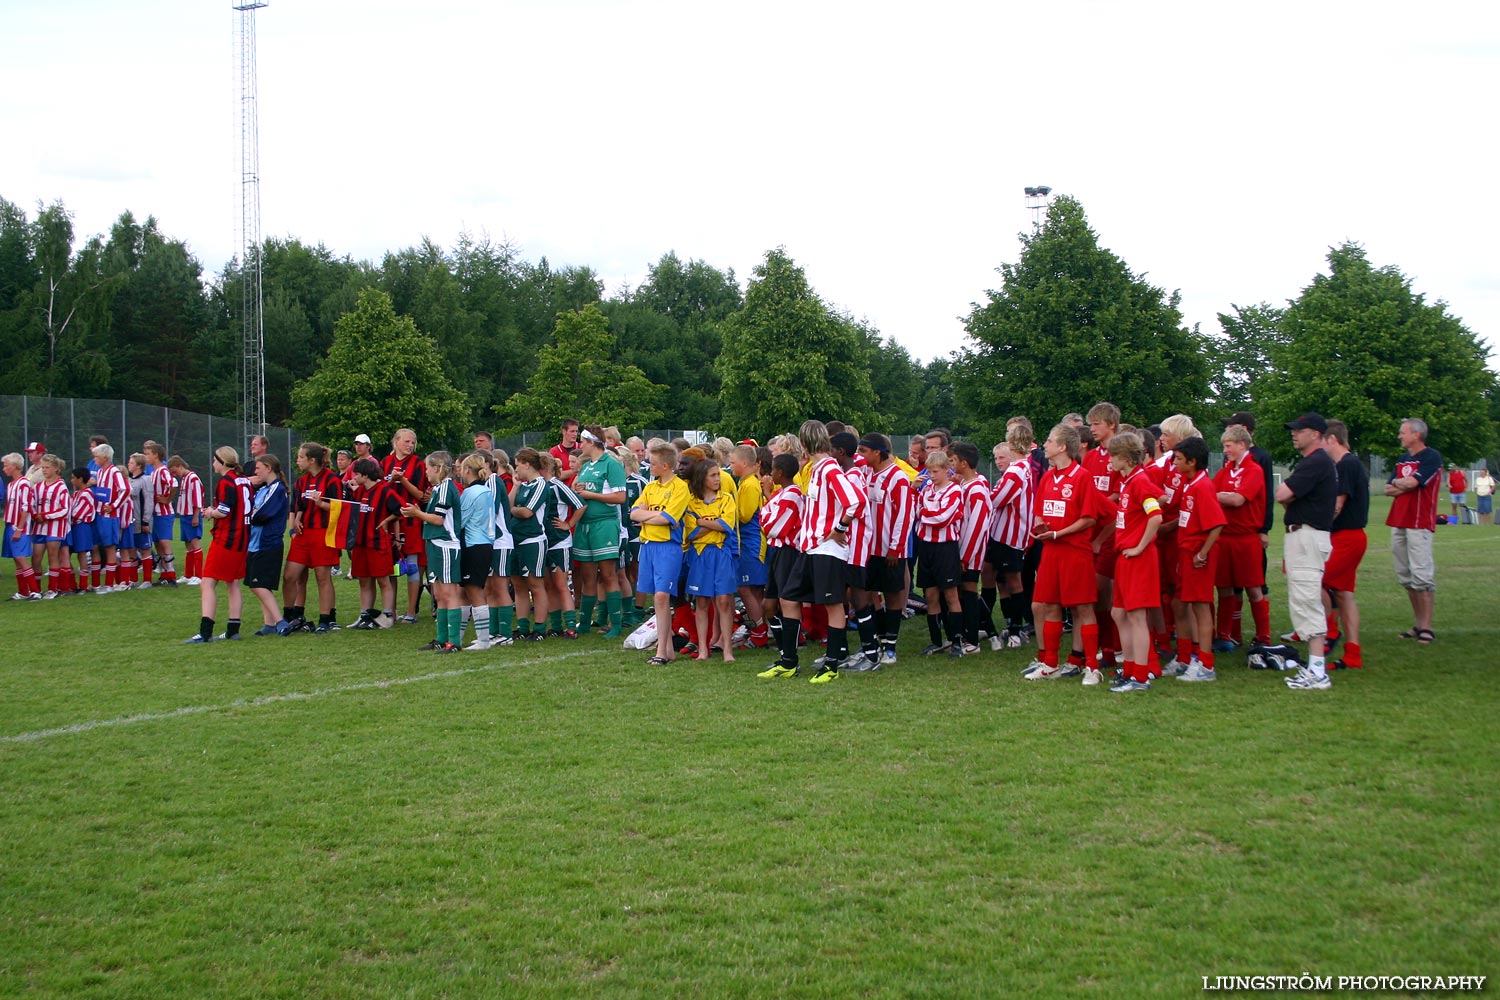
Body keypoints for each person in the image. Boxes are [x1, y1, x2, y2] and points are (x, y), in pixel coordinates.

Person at [1025, 424, 1113, 683]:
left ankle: (1091, 667)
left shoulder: (1082, 476)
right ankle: (1050, 663)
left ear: (1063, 447)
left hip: (1075, 552)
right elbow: (1040, 511)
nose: (1045, 444)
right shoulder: (1048, 476)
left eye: (1050, 441)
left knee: (1083, 608)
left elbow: (1089, 518)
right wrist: (1042, 527)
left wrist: (1059, 534)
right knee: (1049, 605)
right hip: (1051, 552)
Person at [1274, 414, 1340, 690]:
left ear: (1315, 434)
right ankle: (1314, 667)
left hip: (1308, 536)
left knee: (1307, 599)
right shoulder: (1314, 462)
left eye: (1300, 430)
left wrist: (1289, 494)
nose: (1294, 434)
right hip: (1302, 535)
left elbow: (1282, 493)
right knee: (1302, 599)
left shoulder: (1317, 461)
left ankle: (1317, 671)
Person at [1105, 433, 1163, 692]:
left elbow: (1156, 516)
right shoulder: (1128, 481)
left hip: (1137, 557)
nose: (1109, 460)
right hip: (1125, 556)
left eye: (1113, 455)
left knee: (1137, 616)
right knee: (1119, 612)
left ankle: (1140, 675)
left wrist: (1140, 546)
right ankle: (1129, 668)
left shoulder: (1140, 481)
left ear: (1125, 457)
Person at [1170, 437, 1226, 683]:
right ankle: (1185, 657)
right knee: (1181, 604)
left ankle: (1205, 663)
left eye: (1179, 459)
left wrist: (1202, 553)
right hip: (1186, 553)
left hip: (1197, 556)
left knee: (1201, 607)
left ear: (1192, 462)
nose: (1174, 463)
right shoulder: (1189, 483)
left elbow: (1217, 524)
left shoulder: (1203, 486)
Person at [857, 433, 915, 666]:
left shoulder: (897, 478)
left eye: (864, 451)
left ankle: (891, 646)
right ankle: (878, 639)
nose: (860, 456)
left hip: (889, 550)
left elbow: (904, 514)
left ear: (877, 453)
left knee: (892, 595)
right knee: (869, 594)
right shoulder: (868, 472)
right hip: (869, 549)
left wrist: (896, 547)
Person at [185, 447, 253, 643]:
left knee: (207, 583)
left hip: (227, 539)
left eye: (215, 460)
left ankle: (205, 632)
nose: (213, 463)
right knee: (232, 584)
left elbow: (224, 511)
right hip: (242, 540)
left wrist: (209, 512)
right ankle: (233, 629)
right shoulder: (244, 481)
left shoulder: (226, 482)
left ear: (222, 462)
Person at [631, 442, 691, 665]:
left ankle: (662, 650)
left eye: (653, 463)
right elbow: (634, 513)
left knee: (662, 596)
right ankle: (666, 648)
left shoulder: (679, 488)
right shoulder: (650, 487)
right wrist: (650, 516)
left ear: (666, 465)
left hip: (668, 547)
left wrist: (648, 516)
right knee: (656, 597)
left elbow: (669, 519)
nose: (649, 466)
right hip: (648, 545)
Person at [1384, 417, 1442, 643]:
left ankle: (1427, 627)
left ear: (1416, 434)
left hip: (1419, 522)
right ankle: (1418, 624)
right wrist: (1404, 483)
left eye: (1403, 432)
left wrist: (1404, 483)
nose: (1399, 436)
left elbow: (1413, 484)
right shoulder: (1401, 459)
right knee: (1405, 575)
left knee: (1422, 576)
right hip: (1399, 520)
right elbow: (1389, 488)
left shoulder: (1431, 457)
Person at [1214, 424, 1271, 650]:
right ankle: (1225, 635)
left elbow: (1238, 500)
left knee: (1253, 588)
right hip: (1225, 537)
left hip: (1246, 538)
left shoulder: (1254, 470)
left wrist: (1221, 496)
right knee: (1225, 587)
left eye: (1228, 446)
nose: (1226, 451)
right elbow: (1211, 493)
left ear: (1241, 445)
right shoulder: (1226, 471)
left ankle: (1263, 637)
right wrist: (1223, 495)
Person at [403, 451, 463, 653]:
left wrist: (416, 513)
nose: (426, 472)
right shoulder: (438, 488)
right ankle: (441, 638)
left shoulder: (446, 487)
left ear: (437, 468)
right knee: (438, 592)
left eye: (428, 468)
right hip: (435, 543)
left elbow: (439, 519)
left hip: (446, 544)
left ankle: (454, 641)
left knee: (448, 592)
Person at [571, 426, 628, 638]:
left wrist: (590, 494)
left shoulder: (611, 464)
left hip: (604, 524)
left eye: (583, 441)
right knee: (587, 576)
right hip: (584, 525)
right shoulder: (586, 467)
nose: (581, 445)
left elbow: (620, 498)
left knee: (608, 574)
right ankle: (584, 623)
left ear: (593, 442)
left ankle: (616, 624)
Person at [1321, 420, 1369, 670]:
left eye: (1322, 441)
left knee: (1315, 580)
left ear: (1331, 440)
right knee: (1344, 594)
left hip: (1347, 537)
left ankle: (1330, 631)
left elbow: (1338, 505)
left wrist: (1317, 526)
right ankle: (1353, 653)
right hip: (1347, 536)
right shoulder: (1343, 464)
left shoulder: (1347, 463)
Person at [283, 443, 344, 634]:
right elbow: (298, 505)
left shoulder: (332, 480)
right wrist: (297, 520)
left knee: (322, 577)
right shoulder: (301, 481)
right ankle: (290, 615)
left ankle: (326, 619)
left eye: (301, 457)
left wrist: (321, 504)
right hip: (303, 535)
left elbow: (340, 508)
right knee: (290, 576)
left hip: (323, 533)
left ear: (312, 460)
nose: (297, 461)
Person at [684, 458, 739, 663]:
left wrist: (701, 521)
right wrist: (712, 523)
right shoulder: (691, 502)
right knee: (702, 601)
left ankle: (727, 649)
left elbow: (727, 525)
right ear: (702, 478)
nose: (718, 479)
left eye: (718, 474)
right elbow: (692, 532)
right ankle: (703, 650)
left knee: (724, 601)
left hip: (721, 552)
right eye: (713, 475)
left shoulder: (726, 499)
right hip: (699, 555)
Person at [756, 454, 806, 678]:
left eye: (773, 470)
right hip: (776, 552)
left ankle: (790, 659)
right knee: (768, 605)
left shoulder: (794, 494)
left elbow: (773, 526)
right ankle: (786, 652)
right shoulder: (781, 493)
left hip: (788, 552)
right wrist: (767, 510)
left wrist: (766, 513)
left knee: (787, 603)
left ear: (781, 473)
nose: (769, 474)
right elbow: (767, 517)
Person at [985, 426, 1034, 649]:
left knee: (1012, 580)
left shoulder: (1017, 471)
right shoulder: (1021, 468)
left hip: (1010, 535)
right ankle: (1007, 623)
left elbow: (997, 499)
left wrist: (988, 492)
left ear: (1012, 445)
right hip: (1001, 533)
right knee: (997, 578)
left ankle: (1016, 629)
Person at [915, 450, 965, 659]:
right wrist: (925, 511)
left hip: (945, 547)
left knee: (951, 594)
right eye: (929, 472)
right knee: (930, 595)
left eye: (936, 471)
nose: (932, 476)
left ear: (946, 470)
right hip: (926, 546)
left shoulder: (954, 491)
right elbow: (915, 512)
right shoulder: (926, 491)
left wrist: (925, 513)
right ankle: (936, 640)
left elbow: (942, 518)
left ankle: (957, 641)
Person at [343, 457, 402, 630]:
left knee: (384, 581)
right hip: (361, 543)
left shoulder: (385, 491)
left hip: (378, 543)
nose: (353, 478)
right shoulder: (360, 491)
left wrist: (386, 521)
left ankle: (388, 615)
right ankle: (365, 615)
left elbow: (401, 509)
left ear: (365, 475)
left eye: (356, 475)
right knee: (364, 580)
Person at [382, 428, 430, 623]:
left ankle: (411, 612)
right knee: (391, 566)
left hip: (410, 520)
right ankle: (390, 611)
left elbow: (420, 495)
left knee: (412, 566)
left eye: (413, 442)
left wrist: (402, 480)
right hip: (389, 520)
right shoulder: (385, 462)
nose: (410, 445)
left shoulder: (418, 464)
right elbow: (380, 487)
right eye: (406, 441)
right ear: (396, 442)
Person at [951, 441, 993, 653]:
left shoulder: (976, 489)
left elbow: (977, 526)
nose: (950, 465)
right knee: (963, 591)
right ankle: (985, 632)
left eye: (953, 461)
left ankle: (973, 640)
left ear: (964, 463)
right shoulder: (964, 485)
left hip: (970, 553)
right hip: (963, 551)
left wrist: (965, 557)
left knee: (968, 591)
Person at [508, 449, 552, 642]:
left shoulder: (540, 484)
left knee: (535, 584)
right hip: (515, 539)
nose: (516, 468)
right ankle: (523, 626)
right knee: (518, 585)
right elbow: (509, 507)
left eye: (517, 464)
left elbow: (527, 512)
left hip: (532, 540)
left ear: (527, 464)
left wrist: (514, 510)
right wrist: (515, 488)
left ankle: (540, 628)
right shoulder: (524, 486)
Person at [245, 454, 290, 635]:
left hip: (268, 543)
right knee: (260, 584)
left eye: (258, 468)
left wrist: (247, 518)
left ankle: (280, 622)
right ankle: (269, 624)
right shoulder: (263, 489)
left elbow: (262, 514)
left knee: (258, 585)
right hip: (256, 543)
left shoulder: (276, 489)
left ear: (268, 468)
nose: (255, 472)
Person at [728, 444, 768, 649]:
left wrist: (727, 508)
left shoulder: (750, 484)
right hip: (750, 541)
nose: (730, 466)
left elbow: (744, 515)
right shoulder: (746, 482)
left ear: (745, 463)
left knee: (745, 588)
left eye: (733, 462)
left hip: (751, 542)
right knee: (753, 589)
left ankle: (760, 631)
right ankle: (760, 630)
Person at [541, 453, 585, 637]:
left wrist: (569, 524)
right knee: (549, 585)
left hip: (559, 541)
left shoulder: (557, 485)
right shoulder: (537, 486)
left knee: (561, 584)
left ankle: (571, 626)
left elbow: (580, 504)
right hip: (543, 540)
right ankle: (556, 625)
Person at [456, 452, 496, 649]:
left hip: (474, 546)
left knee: (475, 592)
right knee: (465, 592)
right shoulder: (486, 490)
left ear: (467, 470)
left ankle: (483, 640)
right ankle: (459, 637)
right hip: (484, 544)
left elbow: (460, 521)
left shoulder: (471, 493)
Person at [90, 444, 126, 592]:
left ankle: (110, 584)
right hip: (99, 514)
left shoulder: (114, 472)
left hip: (109, 516)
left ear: (105, 457)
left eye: (96, 456)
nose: (94, 459)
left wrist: (113, 506)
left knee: (110, 548)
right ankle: (97, 583)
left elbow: (125, 489)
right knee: (96, 547)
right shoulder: (100, 472)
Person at [4, 453, 38, 599]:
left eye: (6, 465)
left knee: (21, 558)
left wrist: (19, 528)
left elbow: (26, 508)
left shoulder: (23, 483)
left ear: (15, 466)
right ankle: (23, 592)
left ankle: (35, 591)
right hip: (10, 524)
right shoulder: (11, 484)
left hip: (20, 527)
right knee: (16, 559)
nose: (4, 468)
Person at [145, 441, 179, 586]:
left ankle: (171, 575)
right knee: (158, 542)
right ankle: (164, 574)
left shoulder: (163, 470)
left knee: (164, 542)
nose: (146, 457)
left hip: (164, 512)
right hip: (155, 513)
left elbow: (174, 484)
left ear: (156, 455)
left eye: (148, 454)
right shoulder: (154, 472)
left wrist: (167, 499)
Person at [168, 455, 205, 585]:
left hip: (191, 515)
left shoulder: (193, 479)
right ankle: (188, 574)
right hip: (184, 515)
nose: (174, 474)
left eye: (174, 471)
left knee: (195, 543)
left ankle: (199, 575)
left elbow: (198, 499)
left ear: (180, 466)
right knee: (188, 544)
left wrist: (195, 515)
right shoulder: (184, 479)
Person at [66, 467, 96, 596]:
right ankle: (72, 584)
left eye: (73, 478)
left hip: (82, 526)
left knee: (82, 555)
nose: (71, 480)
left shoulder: (87, 494)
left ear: (80, 479)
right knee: (68, 554)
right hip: (74, 527)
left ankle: (83, 585)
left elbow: (77, 512)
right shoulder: (77, 493)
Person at [550, 418, 582, 486]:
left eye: (576, 431)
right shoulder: (554, 452)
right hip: (563, 491)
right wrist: (579, 470)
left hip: (581, 490)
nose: (575, 434)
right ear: (564, 431)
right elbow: (557, 476)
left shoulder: (582, 448)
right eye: (572, 431)